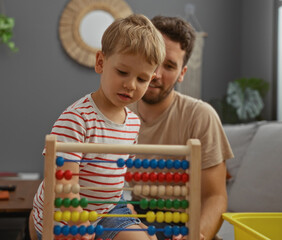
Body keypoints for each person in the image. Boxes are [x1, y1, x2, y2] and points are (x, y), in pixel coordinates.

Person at [32, 14, 166, 240]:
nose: (130, 85)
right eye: (122, 72)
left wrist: (130, 214)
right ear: (101, 62)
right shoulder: (77, 119)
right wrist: (77, 219)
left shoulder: (133, 122)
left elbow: (115, 176)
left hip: (108, 210)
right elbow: (63, 182)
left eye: (142, 79)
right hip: (64, 211)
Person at [128, 16, 234, 240]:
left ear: (182, 73)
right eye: (153, 59)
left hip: (180, 227)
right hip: (127, 220)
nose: (156, 74)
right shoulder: (116, 114)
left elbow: (215, 196)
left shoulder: (201, 116)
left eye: (169, 66)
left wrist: (198, 234)